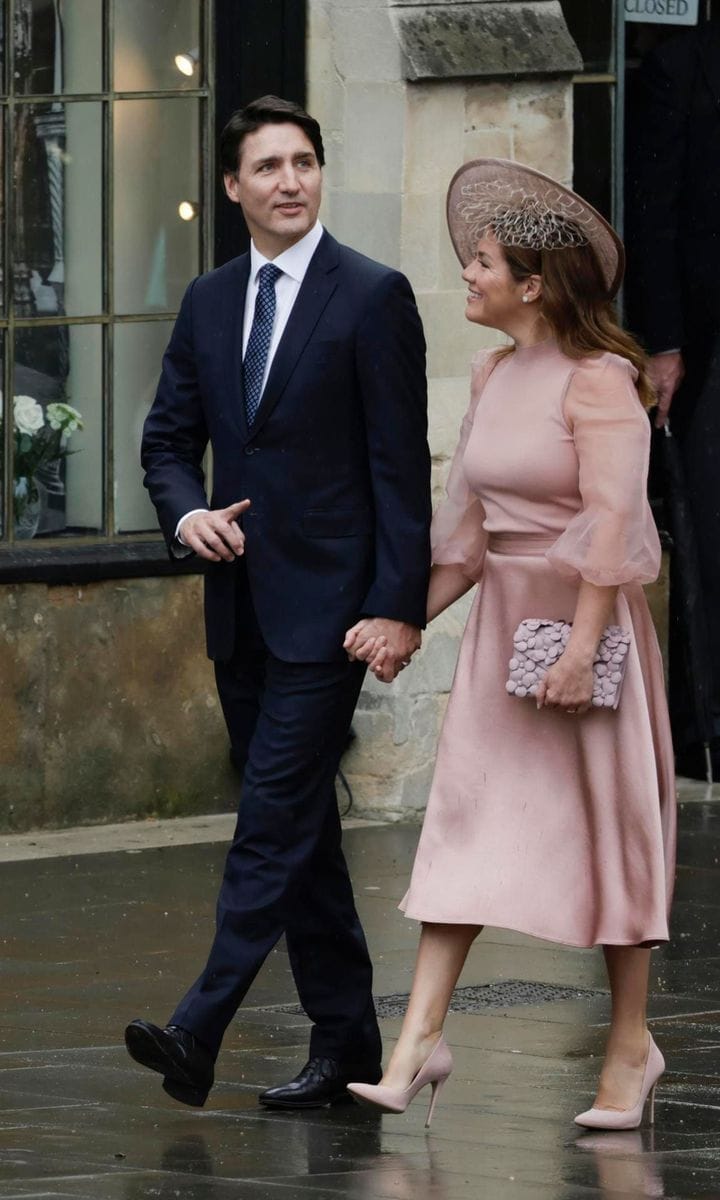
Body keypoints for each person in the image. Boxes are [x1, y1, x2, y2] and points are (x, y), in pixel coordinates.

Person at [344, 159, 676, 1130]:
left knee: (613, 841)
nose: (469, 276)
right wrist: (408, 620)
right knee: (464, 831)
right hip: (502, 644)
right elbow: (464, 539)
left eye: (482, 261)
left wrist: (579, 650)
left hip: (590, 633)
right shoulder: (492, 376)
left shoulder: (602, 380)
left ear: (533, 282)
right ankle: (417, 1044)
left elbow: (614, 529)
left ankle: (630, 1050)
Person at [125, 95, 431, 1110]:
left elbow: (401, 472)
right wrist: (187, 518)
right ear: (232, 187)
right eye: (269, 167)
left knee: (267, 822)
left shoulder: (372, 296)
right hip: (239, 610)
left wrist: (400, 608)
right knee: (302, 835)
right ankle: (346, 1044)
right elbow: (167, 442)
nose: (291, 181)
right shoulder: (210, 302)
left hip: (334, 619)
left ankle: (197, 1030)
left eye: (305, 162)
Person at [626, 19, 720, 779]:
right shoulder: (679, 69)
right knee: (707, 535)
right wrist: (664, 343)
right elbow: (652, 216)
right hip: (707, 348)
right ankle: (704, 725)